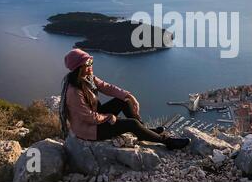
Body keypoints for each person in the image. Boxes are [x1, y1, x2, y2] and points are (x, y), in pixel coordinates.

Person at [59, 48, 190, 150]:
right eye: (88, 63)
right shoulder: (74, 91)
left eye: (91, 61)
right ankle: (167, 142)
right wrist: (108, 117)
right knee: (132, 124)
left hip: (96, 117)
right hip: (90, 129)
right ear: (79, 68)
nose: (91, 64)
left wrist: (129, 96)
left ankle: (144, 131)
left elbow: (107, 87)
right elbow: (88, 117)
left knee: (123, 101)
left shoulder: (88, 79)